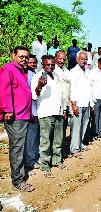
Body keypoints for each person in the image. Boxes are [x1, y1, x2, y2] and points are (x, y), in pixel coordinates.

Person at [0, 46, 34, 192]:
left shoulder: (23, 71)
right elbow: (3, 90)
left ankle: (20, 174)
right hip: (15, 116)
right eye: (21, 56)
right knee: (17, 148)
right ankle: (18, 180)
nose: (24, 59)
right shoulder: (9, 69)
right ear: (14, 55)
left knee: (20, 147)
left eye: (26, 57)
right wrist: (7, 110)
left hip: (24, 114)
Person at [31, 55, 65, 178]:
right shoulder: (37, 77)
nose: (50, 66)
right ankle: (45, 166)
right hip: (46, 113)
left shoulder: (56, 76)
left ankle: (56, 160)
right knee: (45, 141)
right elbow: (34, 96)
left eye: (52, 64)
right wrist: (40, 86)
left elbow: (60, 94)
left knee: (58, 139)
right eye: (47, 65)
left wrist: (63, 109)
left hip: (58, 112)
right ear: (43, 65)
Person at [69, 51, 93, 159]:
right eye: (82, 59)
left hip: (86, 102)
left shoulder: (87, 71)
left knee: (84, 125)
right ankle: (74, 148)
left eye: (85, 59)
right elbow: (72, 89)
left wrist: (91, 102)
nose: (84, 61)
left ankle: (80, 143)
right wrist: (74, 104)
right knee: (76, 127)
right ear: (77, 59)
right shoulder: (73, 72)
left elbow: (90, 87)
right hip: (77, 103)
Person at [24, 55, 40, 174]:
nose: (33, 64)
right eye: (30, 62)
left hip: (37, 110)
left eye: (34, 63)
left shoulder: (35, 74)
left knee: (35, 138)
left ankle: (34, 158)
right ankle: (29, 163)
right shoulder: (28, 75)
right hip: (31, 110)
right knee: (30, 138)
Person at [53, 51, 71, 158]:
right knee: (55, 131)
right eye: (60, 58)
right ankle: (55, 153)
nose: (62, 61)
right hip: (56, 106)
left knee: (63, 129)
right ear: (56, 58)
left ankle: (61, 149)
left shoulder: (66, 70)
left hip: (65, 104)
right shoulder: (52, 70)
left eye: (64, 59)